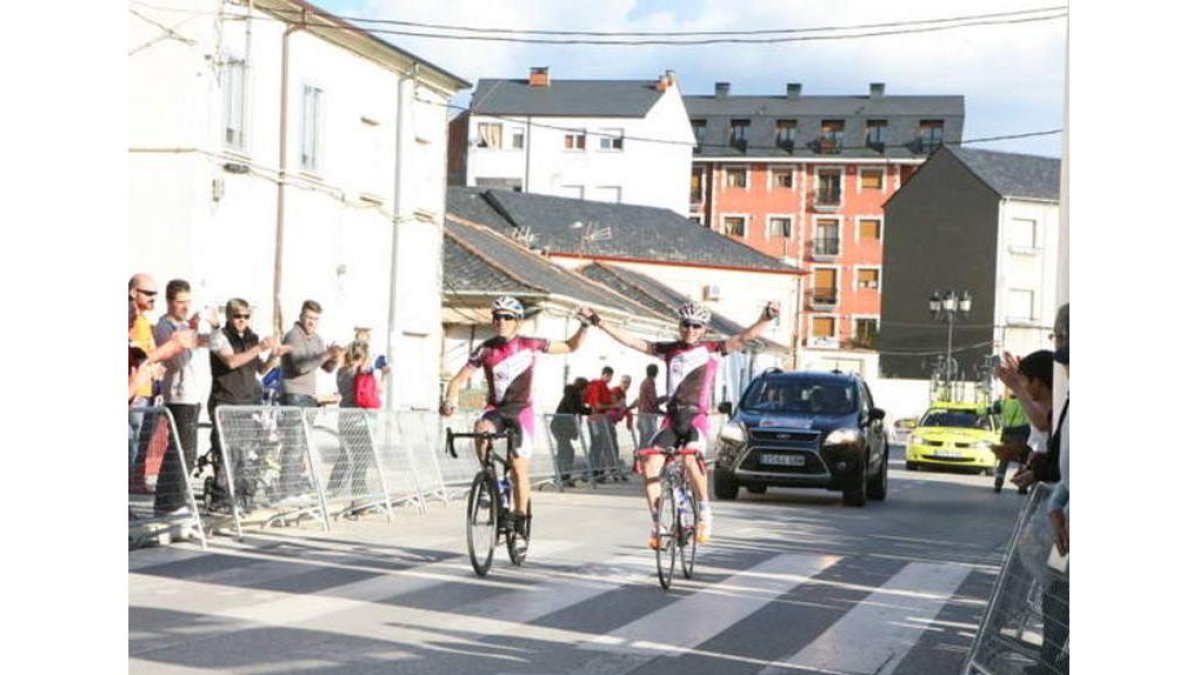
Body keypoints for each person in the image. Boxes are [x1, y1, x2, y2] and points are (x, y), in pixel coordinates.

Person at [578, 299, 780, 548]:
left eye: (696, 326)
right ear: (679, 325)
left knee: (689, 458)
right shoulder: (668, 349)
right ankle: (657, 523)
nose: (690, 330)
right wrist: (599, 321)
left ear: (704, 329)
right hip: (672, 419)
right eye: (686, 324)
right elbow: (631, 341)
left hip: (696, 419)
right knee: (650, 463)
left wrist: (766, 318)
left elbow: (743, 338)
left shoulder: (713, 349)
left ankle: (705, 510)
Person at [439, 296, 591, 538]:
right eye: (497, 316)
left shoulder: (530, 344)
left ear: (518, 322)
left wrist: (584, 325)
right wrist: (449, 401)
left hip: (522, 411)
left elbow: (570, 346)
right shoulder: (485, 349)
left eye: (507, 317)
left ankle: (521, 517)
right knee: (480, 427)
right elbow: (458, 380)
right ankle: (489, 480)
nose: (501, 321)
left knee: (519, 468)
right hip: (497, 409)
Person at [207, 299, 289, 506]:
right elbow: (232, 361)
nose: (242, 320)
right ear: (228, 316)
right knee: (227, 453)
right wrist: (260, 347)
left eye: (245, 316)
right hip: (226, 401)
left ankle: (243, 499)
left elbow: (259, 369)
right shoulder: (220, 337)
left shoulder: (252, 338)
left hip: (248, 402)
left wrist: (273, 357)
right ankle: (221, 500)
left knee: (245, 455)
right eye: (237, 316)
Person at [151, 279, 221, 516]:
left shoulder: (185, 327)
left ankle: (175, 499)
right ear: (170, 302)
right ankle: (168, 502)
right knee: (181, 451)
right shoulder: (165, 327)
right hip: (179, 395)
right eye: (181, 302)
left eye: (188, 302)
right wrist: (188, 330)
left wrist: (215, 325)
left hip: (194, 394)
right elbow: (179, 360)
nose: (185, 307)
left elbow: (216, 344)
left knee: (187, 452)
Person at [328, 341, 376, 505]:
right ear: (364, 356)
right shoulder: (362, 373)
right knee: (360, 462)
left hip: (344, 420)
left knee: (344, 458)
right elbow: (372, 394)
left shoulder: (341, 372)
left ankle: (331, 491)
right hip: (360, 422)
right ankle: (358, 500)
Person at [280, 300, 342, 408]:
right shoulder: (293, 336)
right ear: (301, 317)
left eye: (315, 319)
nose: (312, 322)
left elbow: (327, 368)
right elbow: (301, 367)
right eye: (309, 317)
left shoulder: (316, 339)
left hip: (309, 395)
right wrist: (327, 354)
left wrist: (334, 357)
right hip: (293, 395)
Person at [550, 377, 590, 484]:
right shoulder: (573, 395)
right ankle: (562, 476)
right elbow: (575, 409)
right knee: (566, 450)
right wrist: (590, 410)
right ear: (583, 388)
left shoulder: (573, 395)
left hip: (561, 427)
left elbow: (576, 408)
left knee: (565, 450)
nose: (587, 392)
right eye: (587, 389)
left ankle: (564, 475)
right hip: (559, 427)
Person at [635, 364, 666, 449]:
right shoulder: (649, 382)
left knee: (644, 440)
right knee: (648, 440)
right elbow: (653, 402)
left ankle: (641, 459)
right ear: (656, 373)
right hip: (646, 417)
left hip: (643, 415)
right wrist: (666, 398)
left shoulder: (645, 382)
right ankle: (643, 459)